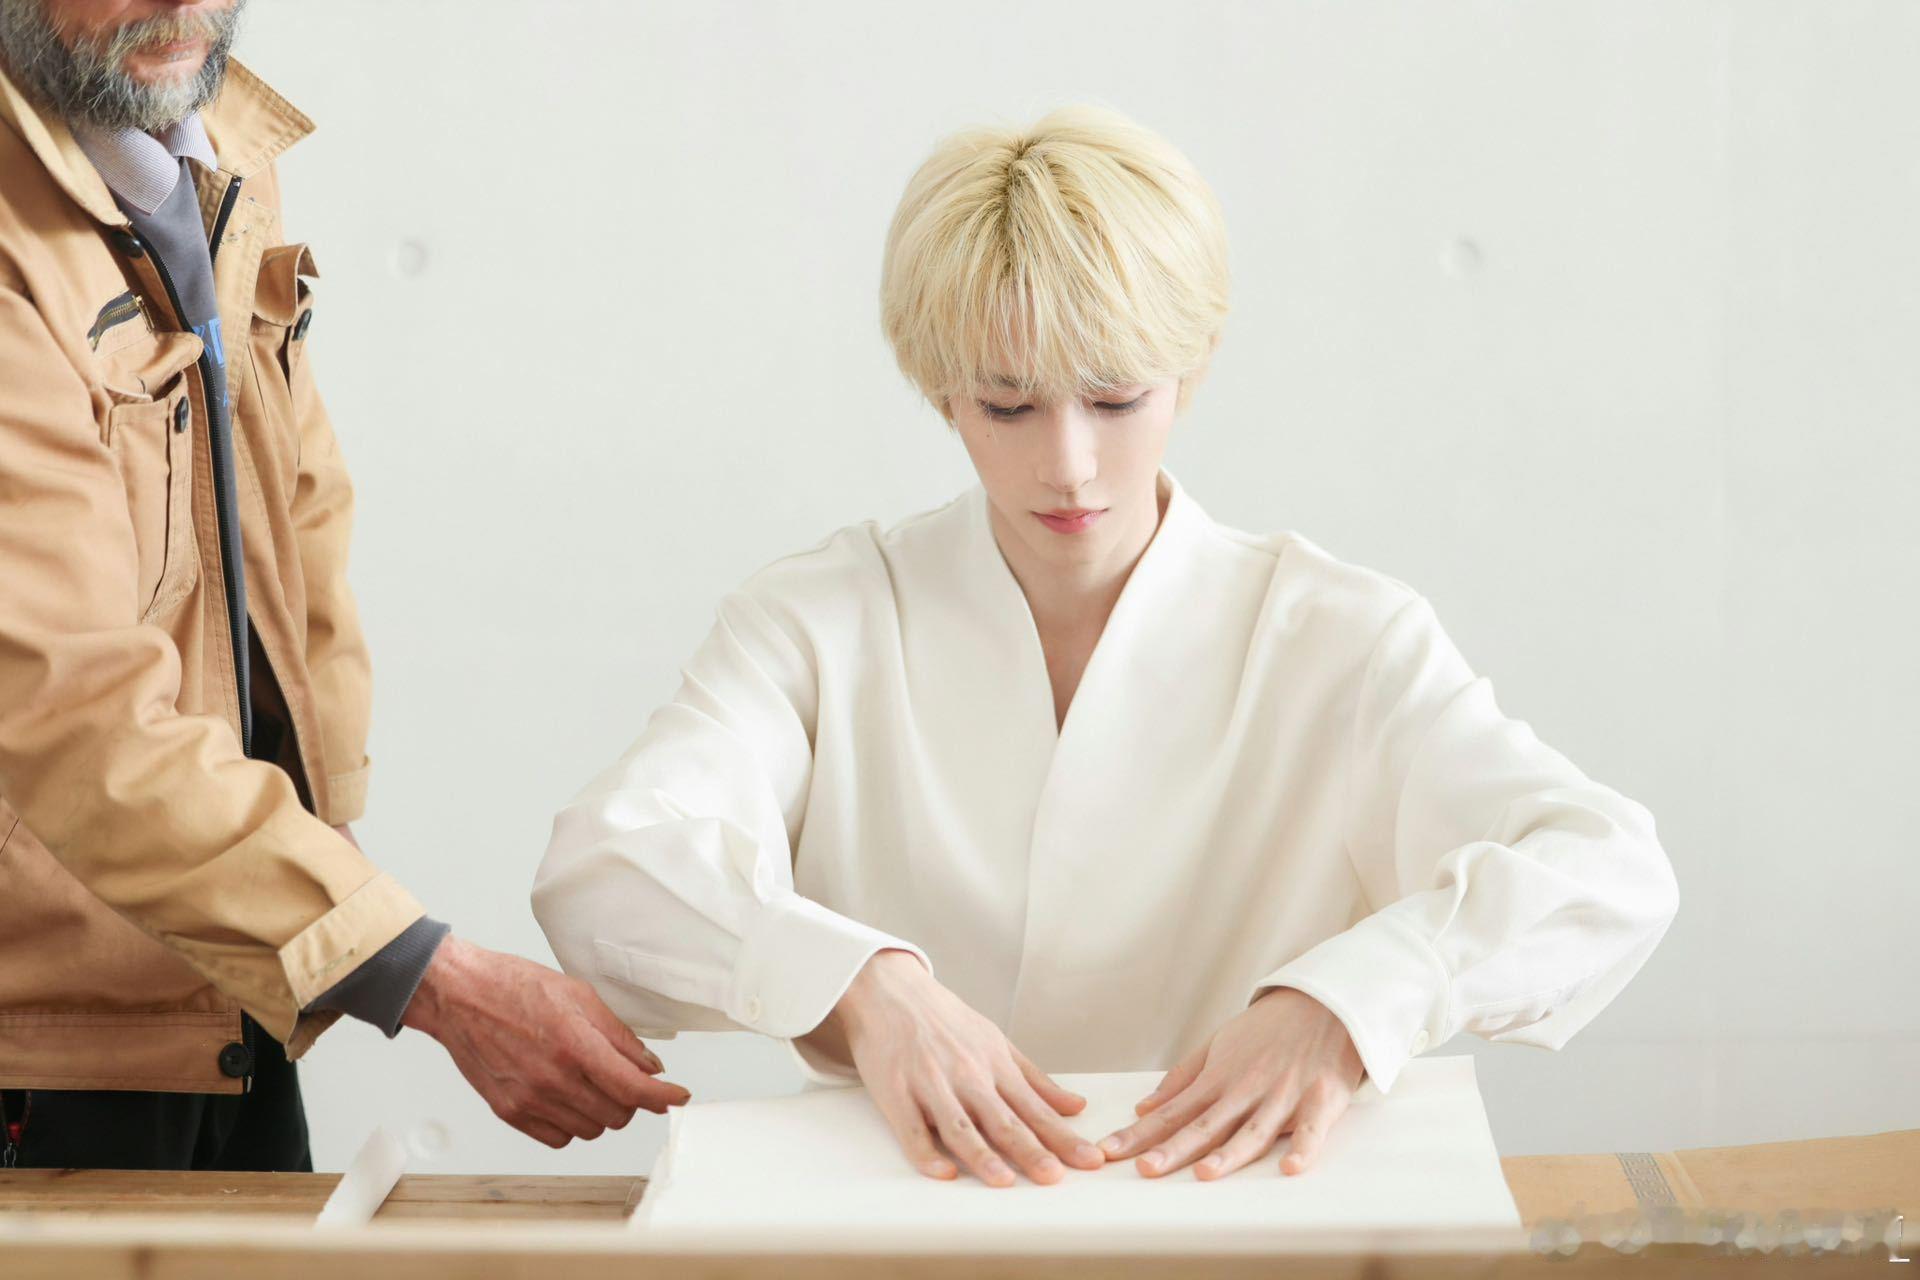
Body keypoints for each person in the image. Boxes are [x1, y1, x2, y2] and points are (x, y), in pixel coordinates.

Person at [532, 106, 1678, 1188]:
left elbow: (1608, 866)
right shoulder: (822, 619)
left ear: (1194, 365)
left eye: (1117, 399)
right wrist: (863, 988)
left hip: (1239, 1211)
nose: (1068, 465)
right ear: (941, 392)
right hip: (900, 1211)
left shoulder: (1337, 635)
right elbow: (605, 868)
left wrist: (1353, 999)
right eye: (1008, 406)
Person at [0, 0, 687, 1171]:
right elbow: (72, 709)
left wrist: (329, 867)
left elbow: (295, 507)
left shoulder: (218, 147)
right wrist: (426, 973)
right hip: (50, 1043)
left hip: (231, 977)